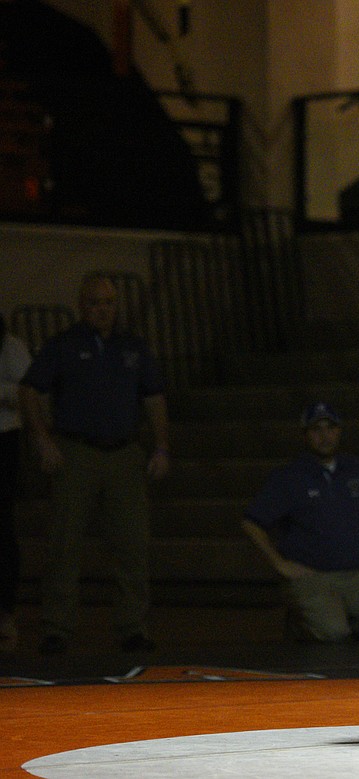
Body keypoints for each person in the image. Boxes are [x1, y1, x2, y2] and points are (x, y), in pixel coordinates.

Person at [18, 271, 170, 655]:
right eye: (95, 302)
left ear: (117, 306)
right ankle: (56, 629)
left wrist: (161, 446)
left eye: (109, 302)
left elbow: (154, 397)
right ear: (82, 305)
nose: (102, 310)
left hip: (124, 453)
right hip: (77, 452)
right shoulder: (64, 345)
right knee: (64, 543)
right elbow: (30, 389)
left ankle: (132, 627)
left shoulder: (133, 347)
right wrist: (41, 439)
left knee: (131, 545)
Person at [243, 402, 359, 642]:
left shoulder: (356, 471)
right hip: (311, 575)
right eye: (316, 429)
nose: (325, 436)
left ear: (339, 431)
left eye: (330, 428)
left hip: (352, 573)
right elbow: (252, 522)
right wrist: (280, 564)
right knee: (334, 631)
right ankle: (308, 622)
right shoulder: (290, 476)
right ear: (305, 435)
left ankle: (348, 615)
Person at [0, 313, 32, 650]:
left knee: (3, 528)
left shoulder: (12, 348)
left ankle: (5, 610)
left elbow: (27, 391)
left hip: (5, 441)